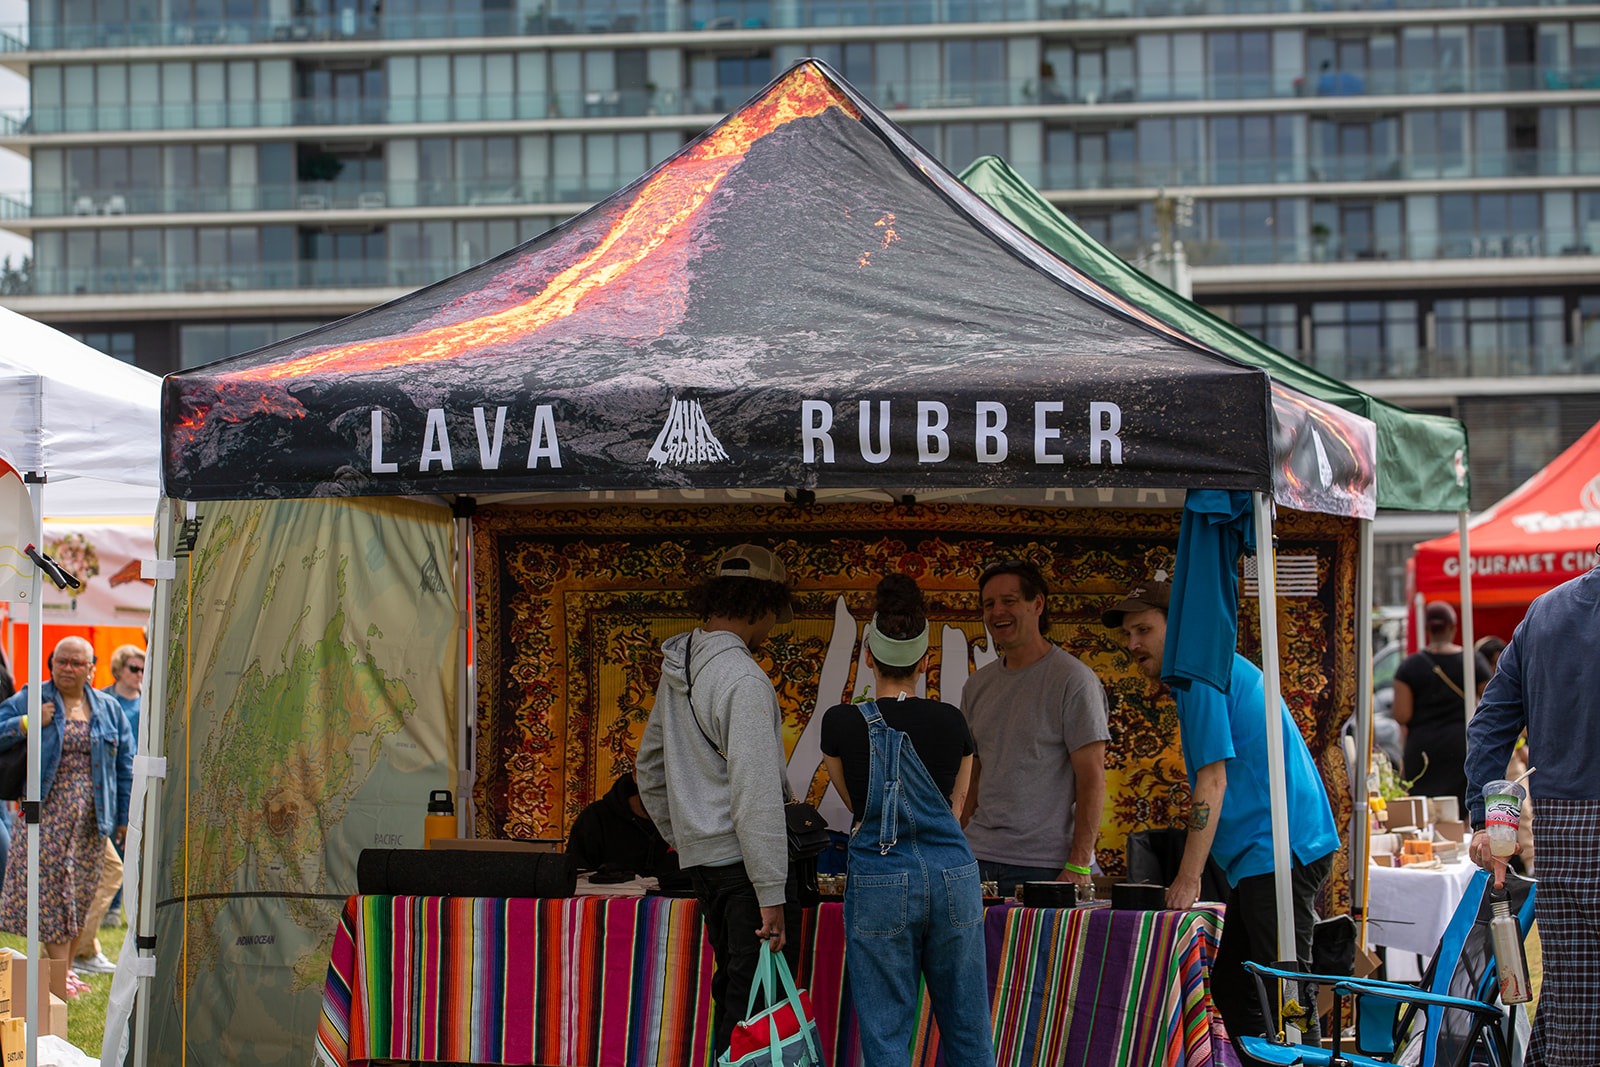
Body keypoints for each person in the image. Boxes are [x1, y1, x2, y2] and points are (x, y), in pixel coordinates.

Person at [1106, 579, 1339, 1049]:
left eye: (1143, 630)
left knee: (1286, 993)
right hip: (1268, 854)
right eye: (1128, 633)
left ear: (1180, 629)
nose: (1132, 644)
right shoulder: (1201, 674)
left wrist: (1188, 879)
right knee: (1235, 988)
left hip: (1279, 853)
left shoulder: (1201, 677)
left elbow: (1212, 783)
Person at [819, 576, 993, 1067]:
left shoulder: (839, 723)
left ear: (868, 657)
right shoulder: (953, 723)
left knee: (887, 1034)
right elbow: (955, 808)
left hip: (881, 877)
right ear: (925, 661)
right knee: (968, 1029)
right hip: (953, 876)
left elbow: (857, 803)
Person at [635, 544, 801, 1060]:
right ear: (763, 605)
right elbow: (755, 794)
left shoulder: (680, 664)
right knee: (756, 1012)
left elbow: (650, 769)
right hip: (747, 869)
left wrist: (685, 835)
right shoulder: (744, 679)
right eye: (774, 613)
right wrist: (772, 890)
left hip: (706, 862)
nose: (772, 627)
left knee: (734, 996)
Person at [1466, 565, 1599, 1067]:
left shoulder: (1545, 612)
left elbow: (1491, 724)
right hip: (1565, 820)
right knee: (1572, 998)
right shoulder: (1546, 612)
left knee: (1575, 1000)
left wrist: (1488, 822)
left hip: (1566, 828)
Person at [961, 559, 1109, 893]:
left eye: (1009, 601)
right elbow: (972, 773)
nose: (997, 612)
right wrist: (955, 844)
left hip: (1047, 865)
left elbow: (1092, 777)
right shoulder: (977, 686)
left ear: (1037, 604)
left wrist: (1078, 863)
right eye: (988, 604)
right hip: (976, 858)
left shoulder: (1074, 680)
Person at [0, 636, 134, 993]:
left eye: (77, 663)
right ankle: (59, 983)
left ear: (92, 669)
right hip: (44, 817)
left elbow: (124, 766)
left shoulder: (108, 709)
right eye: (61, 662)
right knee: (52, 899)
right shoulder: (32, 697)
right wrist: (28, 722)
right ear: (51, 663)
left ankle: (62, 974)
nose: (68, 669)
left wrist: (123, 816)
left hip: (93, 819)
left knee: (81, 897)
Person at [1392, 601, 1492, 807]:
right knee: (1461, 811)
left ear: (1427, 629)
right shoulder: (1473, 660)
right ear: (1452, 627)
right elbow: (1493, 701)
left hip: (1422, 750)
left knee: (1424, 811)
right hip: (1461, 745)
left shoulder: (1409, 666)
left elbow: (1402, 714)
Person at [566, 771, 678, 881]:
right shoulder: (595, 818)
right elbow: (575, 878)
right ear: (636, 774)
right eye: (658, 780)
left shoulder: (688, 823)